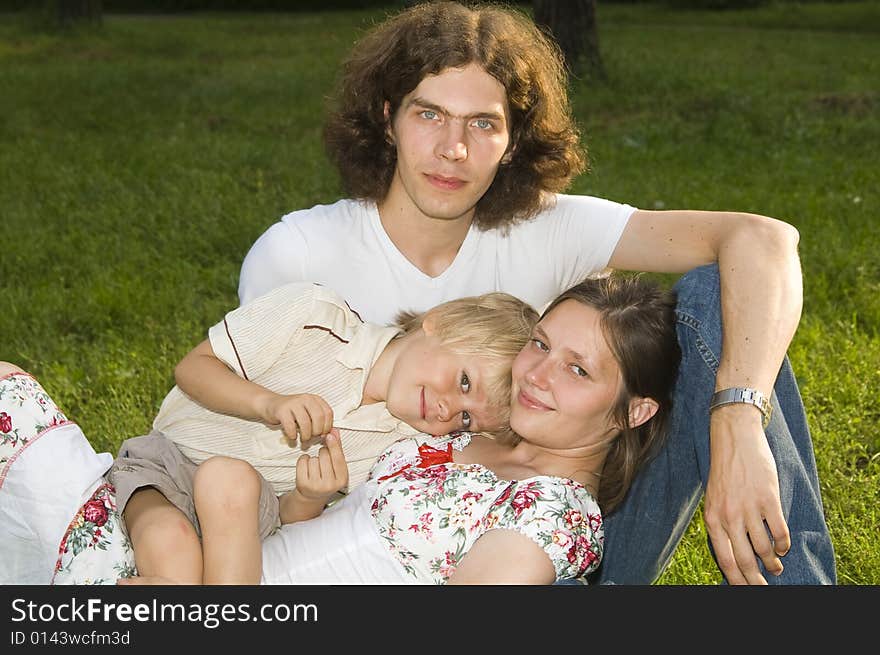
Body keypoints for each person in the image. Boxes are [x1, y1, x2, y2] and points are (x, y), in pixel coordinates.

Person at [237, 1, 835, 584]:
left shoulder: (546, 228)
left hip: (563, 534)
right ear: (389, 118)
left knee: (717, 295)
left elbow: (763, 240)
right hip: (375, 535)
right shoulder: (300, 255)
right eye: (428, 115)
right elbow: (244, 443)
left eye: (483, 124)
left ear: (514, 141)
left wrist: (736, 418)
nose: (454, 149)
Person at [0, 273, 682, 585]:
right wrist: (301, 501)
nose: (537, 375)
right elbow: (306, 527)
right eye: (539, 344)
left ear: (633, 410)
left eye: (578, 370)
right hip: (196, 547)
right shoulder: (457, 437)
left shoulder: (552, 514)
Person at [104, 282, 538, 584]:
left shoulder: (398, 450)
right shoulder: (314, 316)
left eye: (466, 420)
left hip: (247, 515)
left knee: (228, 478)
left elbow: (290, 523)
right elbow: (191, 368)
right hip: (163, 465)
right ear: (439, 322)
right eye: (464, 382)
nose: (448, 409)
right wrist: (268, 403)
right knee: (171, 545)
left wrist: (309, 498)